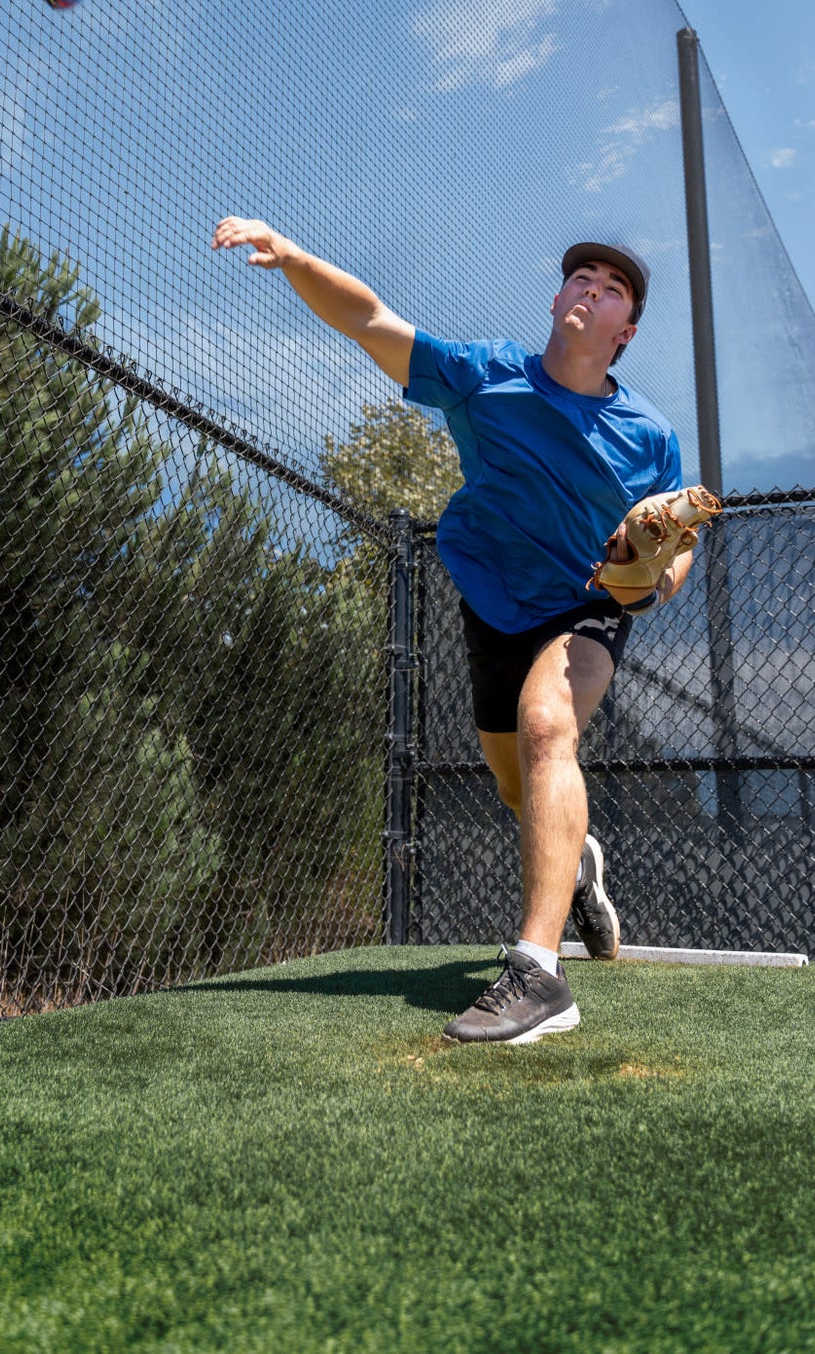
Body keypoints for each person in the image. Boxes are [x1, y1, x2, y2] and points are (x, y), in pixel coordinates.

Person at [211, 217, 696, 1044]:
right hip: (493, 602)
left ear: (627, 332)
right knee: (514, 787)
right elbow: (370, 321)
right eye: (582, 277)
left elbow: (675, 547)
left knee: (551, 727)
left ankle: (538, 974)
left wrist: (647, 583)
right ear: (558, 299)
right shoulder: (486, 376)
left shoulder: (649, 436)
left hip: (585, 607)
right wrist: (292, 254)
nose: (593, 289)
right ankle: (578, 864)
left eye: (613, 289)